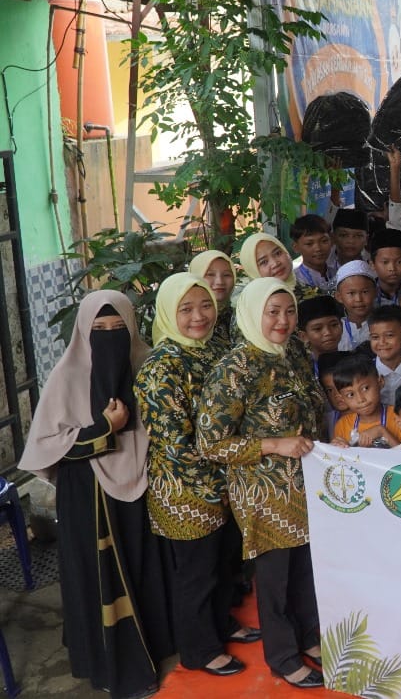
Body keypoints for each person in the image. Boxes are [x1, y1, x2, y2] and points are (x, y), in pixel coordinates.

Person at [19, 290, 173, 698]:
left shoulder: (147, 367)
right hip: (87, 496)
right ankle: (112, 664)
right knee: (100, 578)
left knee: (142, 568)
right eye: (99, 330)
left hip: (141, 488)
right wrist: (105, 428)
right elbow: (48, 443)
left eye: (120, 329)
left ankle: (156, 643)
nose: (110, 337)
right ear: (83, 334)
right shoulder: (67, 376)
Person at [196, 277, 324, 689]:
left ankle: (309, 635)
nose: (283, 321)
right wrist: (274, 444)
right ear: (253, 314)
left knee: (305, 567)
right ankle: (284, 657)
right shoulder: (236, 367)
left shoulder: (294, 353)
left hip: (306, 482)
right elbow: (211, 442)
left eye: (289, 311)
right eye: (273, 312)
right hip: (263, 491)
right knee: (275, 579)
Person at [136, 274, 255, 678]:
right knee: (197, 574)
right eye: (185, 309)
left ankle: (221, 624)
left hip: (225, 482)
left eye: (204, 305)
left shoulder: (215, 348)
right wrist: (220, 481)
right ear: (169, 313)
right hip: (185, 491)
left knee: (223, 564)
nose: (199, 316)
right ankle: (199, 650)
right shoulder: (161, 366)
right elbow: (174, 443)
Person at [190, 249, 236, 349]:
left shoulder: (240, 317)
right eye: (210, 274)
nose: (220, 281)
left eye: (227, 275)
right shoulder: (184, 322)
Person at [333, 260, 378, 351]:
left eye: (365, 292)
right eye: (351, 293)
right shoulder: (335, 329)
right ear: (339, 297)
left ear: (375, 292)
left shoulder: (384, 324)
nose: (358, 299)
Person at [290, 214, 335, 294]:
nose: (318, 248)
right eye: (309, 243)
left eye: (324, 241)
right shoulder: (294, 281)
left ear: (331, 241)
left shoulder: (338, 273)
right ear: (295, 247)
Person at [368, 227, 401, 307]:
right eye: (385, 262)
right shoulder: (366, 297)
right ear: (372, 264)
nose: (392, 268)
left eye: (399, 262)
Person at [298, 295, 343, 361]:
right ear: (304, 336)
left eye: (334, 325)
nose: (328, 332)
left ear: (341, 326)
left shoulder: (356, 362)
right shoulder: (301, 369)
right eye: (318, 329)